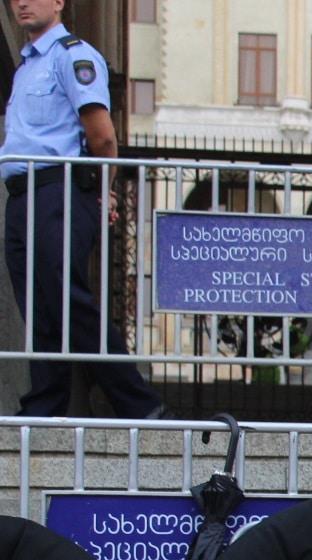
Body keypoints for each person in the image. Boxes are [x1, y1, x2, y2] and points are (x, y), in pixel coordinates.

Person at [2, 0, 163, 419]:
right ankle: (45, 403)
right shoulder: (26, 68)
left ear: (59, 2)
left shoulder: (72, 56)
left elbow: (102, 137)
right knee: (39, 305)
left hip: (58, 188)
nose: (22, 3)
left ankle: (138, 402)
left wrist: (103, 190)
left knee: (65, 298)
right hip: (21, 194)